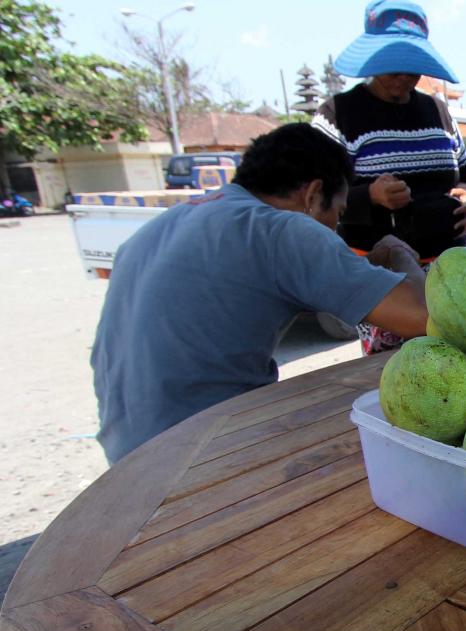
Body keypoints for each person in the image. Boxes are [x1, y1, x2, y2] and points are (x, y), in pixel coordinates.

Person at [91, 123, 429, 465]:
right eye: (338, 214)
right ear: (313, 195)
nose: (335, 230)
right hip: (195, 456)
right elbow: (421, 316)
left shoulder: (164, 225)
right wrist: (399, 253)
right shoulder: (281, 230)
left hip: (124, 453)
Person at [315, 0, 466, 353]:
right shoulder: (338, 114)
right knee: (399, 376)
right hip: (385, 281)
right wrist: (370, 195)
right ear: (374, 61)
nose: (404, 77)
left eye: (412, 68)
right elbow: (315, 198)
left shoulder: (438, 111)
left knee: (461, 366)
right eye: (394, 67)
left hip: (448, 272)